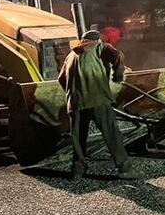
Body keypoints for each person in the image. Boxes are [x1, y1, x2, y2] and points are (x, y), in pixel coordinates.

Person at [59, 30, 140, 181]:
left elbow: (61, 79)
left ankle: (77, 171)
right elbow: (117, 55)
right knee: (112, 134)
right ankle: (125, 169)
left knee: (78, 139)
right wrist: (117, 75)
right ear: (97, 40)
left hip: (76, 104)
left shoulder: (70, 55)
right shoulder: (99, 47)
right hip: (98, 100)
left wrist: (74, 94)